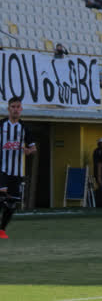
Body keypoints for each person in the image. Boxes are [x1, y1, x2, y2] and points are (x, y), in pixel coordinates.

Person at [0, 97, 37, 239]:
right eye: (13, 106)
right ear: (8, 108)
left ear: (21, 109)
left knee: (11, 204)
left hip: (16, 172)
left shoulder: (24, 128)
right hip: (2, 169)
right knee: (2, 195)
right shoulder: (1, 125)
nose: (15, 109)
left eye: (18, 107)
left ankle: (2, 230)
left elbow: (33, 147)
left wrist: (29, 151)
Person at [93, 138, 102, 206]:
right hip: (99, 172)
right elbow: (98, 164)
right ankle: (100, 203)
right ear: (99, 144)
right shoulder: (97, 151)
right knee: (101, 187)